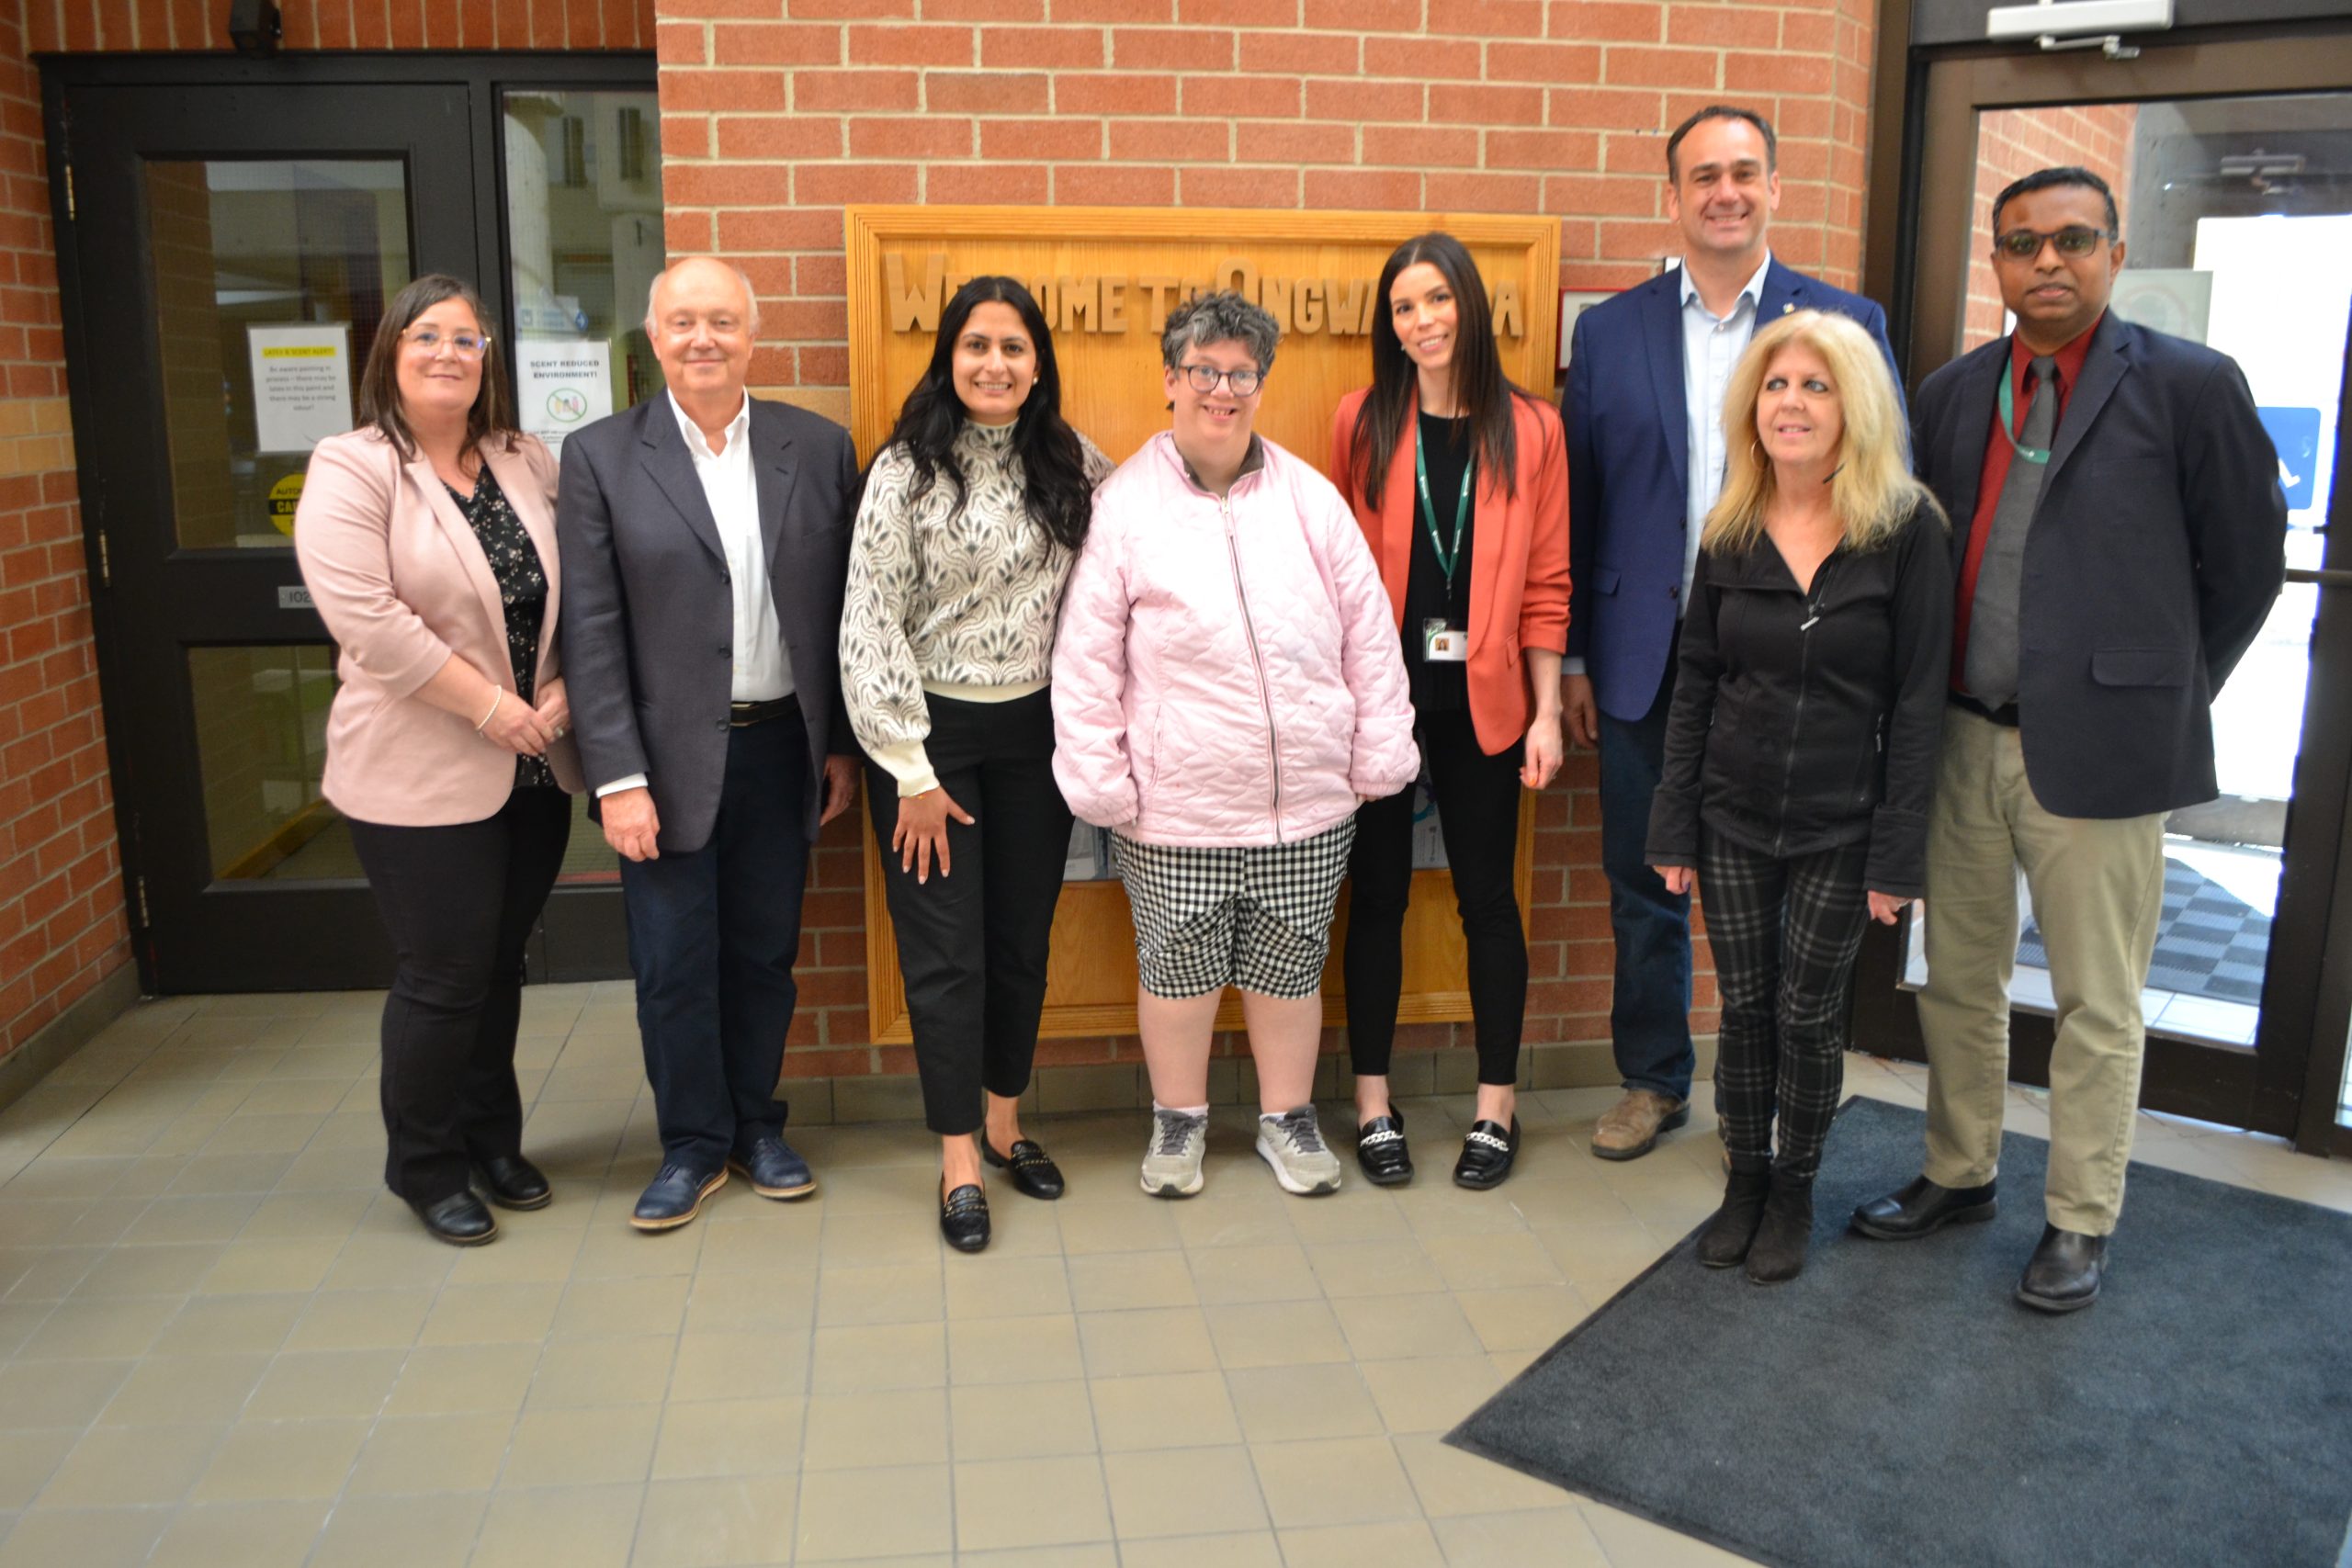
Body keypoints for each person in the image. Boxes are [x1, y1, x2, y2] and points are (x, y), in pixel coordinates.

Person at [1851, 167, 2287, 1312]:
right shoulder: (1950, 392)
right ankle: (1959, 1171)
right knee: (1957, 980)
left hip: (2101, 752)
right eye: (2021, 244)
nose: (2046, 261)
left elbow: (2244, 564)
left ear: (2110, 252)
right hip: (1960, 735)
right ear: (1994, 262)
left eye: (2072, 240)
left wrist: (2162, 689)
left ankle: (2079, 1217)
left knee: (2099, 1001)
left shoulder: (2189, 387)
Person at [1563, 104, 1900, 1161]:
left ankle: (1767, 1098)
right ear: (1672, 196)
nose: (1724, 191)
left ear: (1773, 188)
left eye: (1744, 172)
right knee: (1643, 880)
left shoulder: (1843, 321)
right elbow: (1577, 502)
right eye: (1703, 174)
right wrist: (1572, 652)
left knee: (1785, 887)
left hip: (1791, 665)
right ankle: (1653, 1083)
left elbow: (1885, 492)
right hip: (1641, 656)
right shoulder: (1610, 331)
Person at [1052, 291, 1418, 1201]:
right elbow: (1087, 653)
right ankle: (1177, 1125)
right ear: (1171, 381)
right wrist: (1099, 777)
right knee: (1175, 968)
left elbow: (1368, 633)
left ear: (1260, 383)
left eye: (1240, 373)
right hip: (1174, 804)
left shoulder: (1310, 501)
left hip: (1306, 801)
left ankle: (1286, 1121)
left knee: (1290, 963)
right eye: (1204, 371)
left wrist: (1377, 753)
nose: (1223, 388)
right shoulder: (1124, 506)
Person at [557, 256, 861, 1233]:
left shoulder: (814, 448)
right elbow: (591, 635)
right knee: (676, 962)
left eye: (722, 321)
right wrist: (617, 778)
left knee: (765, 954)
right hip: (664, 764)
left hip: (783, 752)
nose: (703, 339)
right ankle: (691, 1143)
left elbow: (843, 613)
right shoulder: (602, 456)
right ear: (653, 337)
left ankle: (755, 1128)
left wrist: (842, 747)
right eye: (683, 322)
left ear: (751, 336)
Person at [1646, 310, 1951, 1282]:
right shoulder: (1729, 529)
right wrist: (1673, 822)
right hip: (1731, 817)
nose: (1792, 404)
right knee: (1743, 1009)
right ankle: (1744, 1182)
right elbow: (1694, 684)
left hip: (1842, 824)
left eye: (1815, 387)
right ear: (1752, 407)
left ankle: (1794, 1189)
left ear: (1851, 406)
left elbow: (1916, 706)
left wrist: (1899, 855)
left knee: (1807, 1013)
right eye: (1776, 386)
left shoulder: (1907, 530)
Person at [295, 274, 580, 1247]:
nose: (449, 355)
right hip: (416, 770)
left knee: (499, 966)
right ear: (392, 352)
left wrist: (564, 693)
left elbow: (584, 591)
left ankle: (492, 1139)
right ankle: (424, 1164)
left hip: (534, 764)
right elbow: (370, 623)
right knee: (443, 972)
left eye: (467, 340)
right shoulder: (354, 465)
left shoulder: (525, 459)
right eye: (428, 337)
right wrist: (491, 706)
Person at [842, 277, 1113, 1253]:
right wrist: (910, 771)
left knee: (1020, 942)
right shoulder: (906, 471)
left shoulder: (1074, 465)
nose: (993, 364)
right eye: (975, 346)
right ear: (948, 358)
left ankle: (1004, 1123)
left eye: (1012, 347)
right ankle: (958, 1156)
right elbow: (868, 621)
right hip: (930, 745)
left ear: (1038, 363)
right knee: (946, 955)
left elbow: (1138, 558)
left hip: (1037, 739)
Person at [1331, 231, 1571, 1190]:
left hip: (1489, 696)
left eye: (1437, 300)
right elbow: (1336, 582)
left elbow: (1548, 584)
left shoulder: (1533, 430)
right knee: (1377, 897)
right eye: (1403, 308)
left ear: (1469, 307)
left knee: (1486, 900)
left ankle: (1494, 1109)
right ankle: (1372, 1105)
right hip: (1382, 696)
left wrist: (1548, 712)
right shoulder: (1362, 420)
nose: (1422, 321)